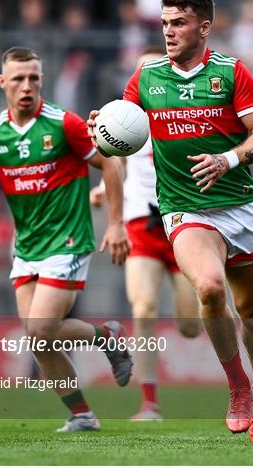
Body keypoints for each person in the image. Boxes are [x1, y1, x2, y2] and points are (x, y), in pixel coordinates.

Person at [88, 0, 253, 442]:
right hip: (183, 210)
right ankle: (236, 388)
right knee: (211, 289)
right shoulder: (147, 77)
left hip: (240, 208)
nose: (168, 31)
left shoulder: (231, 73)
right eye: (165, 22)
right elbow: (123, 128)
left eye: (178, 23)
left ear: (204, 27)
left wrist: (227, 160)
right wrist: (104, 127)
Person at [0, 46, 132, 432]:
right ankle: (83, 412)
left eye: (33, 78)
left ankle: (105, 338)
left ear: (41, 81)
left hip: (69, 239)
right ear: (3, 83)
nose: (26, 85)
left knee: (41, 329)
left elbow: (110, 162)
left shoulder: (64, 124)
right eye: (18, 79)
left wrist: (116, 223)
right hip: (27, 246)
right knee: (40, 342)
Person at [91, 47, 203, 421]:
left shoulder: (187, 115)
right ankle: (150, 403)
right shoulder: (124, 121)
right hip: (142, 220)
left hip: (184, 219)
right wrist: (103, 192)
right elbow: (116, 165)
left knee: (189, 326)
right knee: (143, 307)